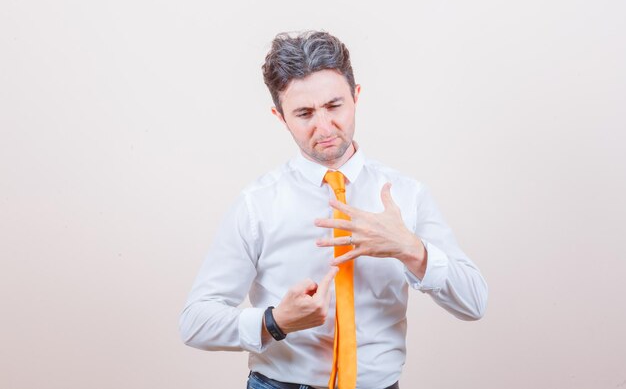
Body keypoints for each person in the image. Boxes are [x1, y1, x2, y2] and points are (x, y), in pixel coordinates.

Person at [179, 31, 488, 389]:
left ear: (356, 97)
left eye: (334, 106)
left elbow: (474, 302)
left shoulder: (407, 194)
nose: (323, 127)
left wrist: (412, 250)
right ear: (280, 117)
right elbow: (194, 321)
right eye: (304, 113)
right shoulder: (257, 204)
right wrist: (275, 321)